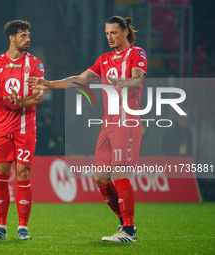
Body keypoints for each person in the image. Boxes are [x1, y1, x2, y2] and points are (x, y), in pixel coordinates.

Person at [27, 16, 147, 242]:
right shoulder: (104, 59)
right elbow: (79, 79)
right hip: (107, 123)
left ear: (125, 32)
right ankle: (125, 223)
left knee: (120, 173)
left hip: (126, 121)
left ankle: (128, 231)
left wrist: (120, 82)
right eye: (107, 33)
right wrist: (49, 83)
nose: (110, 37)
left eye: (113, 32)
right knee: (101, 178)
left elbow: (137, 80)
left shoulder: (137, 54)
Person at [0, 20, 44, 240]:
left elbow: (38, 97)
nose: (28, 39)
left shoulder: (35, 64)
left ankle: (23, 228)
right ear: (11, 38)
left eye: (28, 35)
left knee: (24, 174)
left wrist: (21, 102)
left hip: (25, 128)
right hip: (1, 128)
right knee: (0, 176)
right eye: (23, 35)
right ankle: (1, 228)